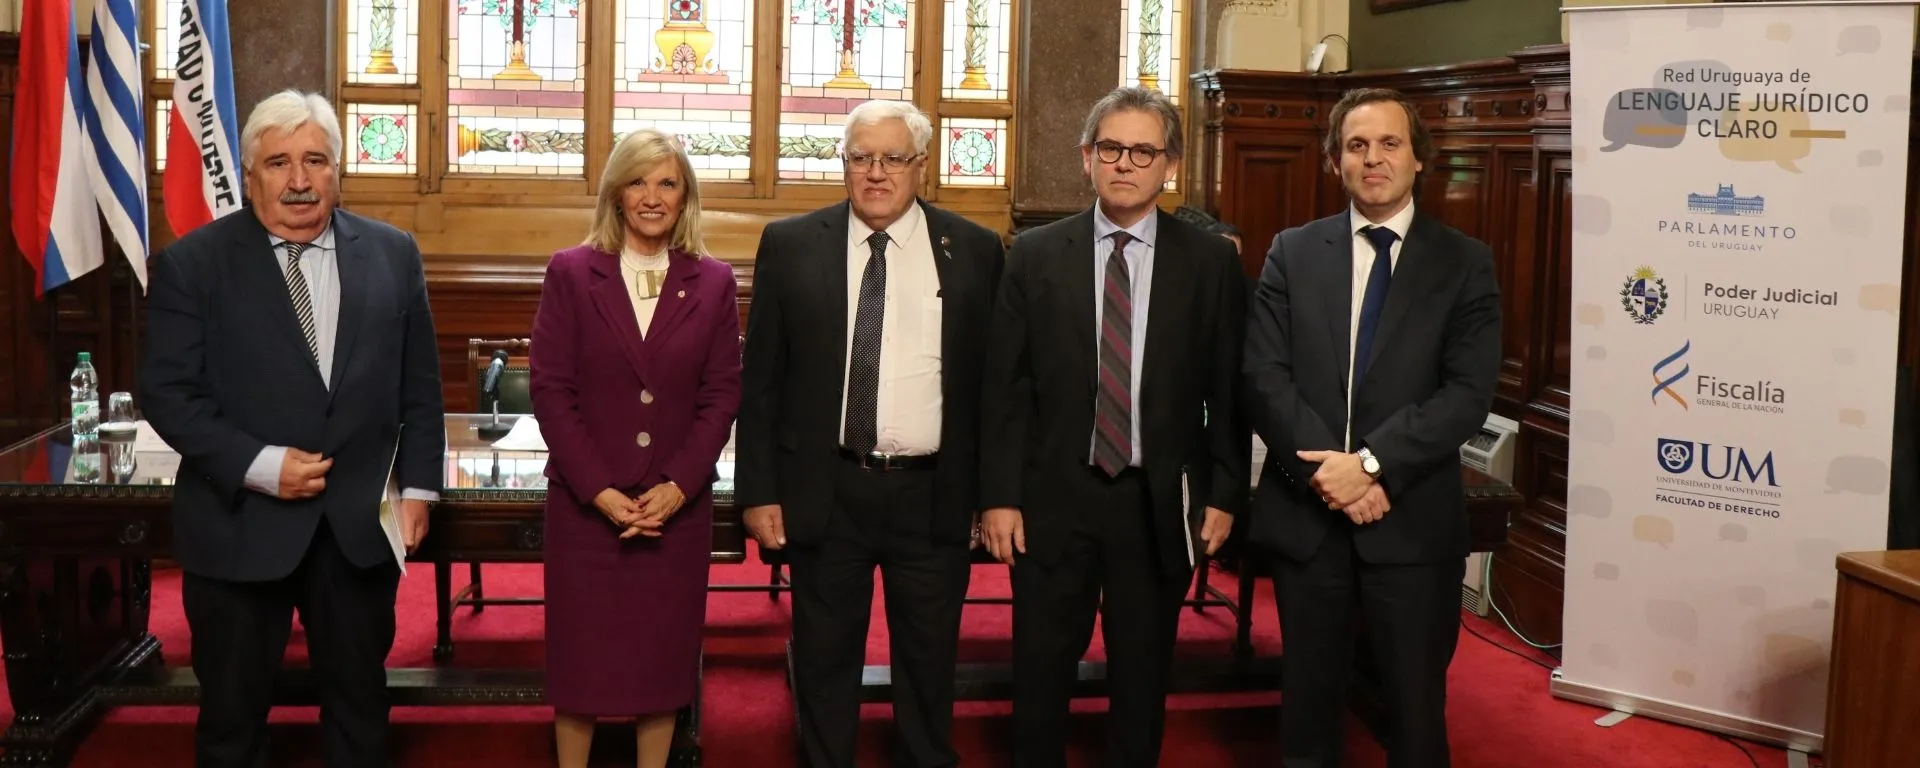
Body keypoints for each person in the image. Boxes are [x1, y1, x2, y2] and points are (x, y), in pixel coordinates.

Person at [139, 89, 443, 768]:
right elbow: (166, 390)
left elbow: (420, 386)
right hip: (238, 525)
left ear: (339, 169)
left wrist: (421, 488)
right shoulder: (194, 264)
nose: (299, 181)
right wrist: (260, 464)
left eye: (315, 160)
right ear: (250, 176)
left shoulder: (395, 254)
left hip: (359, 528)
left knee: (361, 712)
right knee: (231, 719)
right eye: (279, 163)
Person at [978, 86, 1247, 768]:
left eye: (1143, 151)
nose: (1125, 164)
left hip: (1154, 501)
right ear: (1086, 159)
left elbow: (1229, 389)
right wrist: (999, 497)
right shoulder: (1035, 254)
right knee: (1040, 673)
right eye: (1111, 149)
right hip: (1052, 499)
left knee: (1142, 674)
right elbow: (1004, 389)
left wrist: (1223, 494)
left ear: (1170, 165)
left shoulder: (1211, 262)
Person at [735, 99, 1005, 768]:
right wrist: (758, 489)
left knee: (928, 663)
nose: (876, 173)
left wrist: (992, 493)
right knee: (825, 663)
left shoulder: (973, 250)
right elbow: (761, 377)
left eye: (893, 158)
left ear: (922, 165)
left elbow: (994, 390)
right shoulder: (792, 243)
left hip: (932, 494)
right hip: (828, 486)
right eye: (862, 158)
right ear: (845, 164)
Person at [1242, 86, 1502, 768]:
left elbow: (1467, 394)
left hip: (1413, 523)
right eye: (1357, 145)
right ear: (1336, 162)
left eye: (1390, 143)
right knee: (1308, 703)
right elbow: (1264, 376)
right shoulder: (1292, 253)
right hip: (1309, 519)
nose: (1373, 158)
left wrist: (1373, 465)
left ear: (1419, 159)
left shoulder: (1464, 262)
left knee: (1415, 711)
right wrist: (1332, 475)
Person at [528, 128, 743, 768]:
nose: (652, 197)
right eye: (638, 181)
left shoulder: (713, 281)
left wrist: (678, 485)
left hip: (673, 512)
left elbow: (722, 395)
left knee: (660, 664)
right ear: (616, 193)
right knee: (581, 665)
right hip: (587, 510)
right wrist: (600, 490)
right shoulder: (572, 272)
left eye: (667, 183)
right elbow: (550, 389)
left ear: (686, 198)